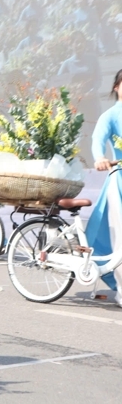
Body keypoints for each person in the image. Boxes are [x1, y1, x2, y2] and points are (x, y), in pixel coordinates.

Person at [89, 69, 122, 307]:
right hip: (119, 180)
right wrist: (100, 157)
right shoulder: (110, 116)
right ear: (116, 87)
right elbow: (97, 140)